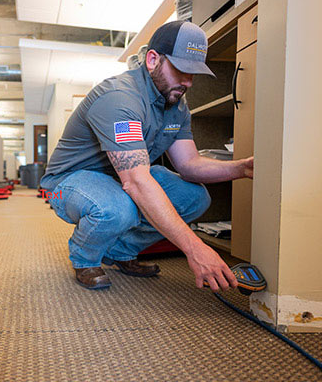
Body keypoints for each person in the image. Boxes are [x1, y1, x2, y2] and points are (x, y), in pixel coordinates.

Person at [39, 21, 253, 291]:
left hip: (118, 179)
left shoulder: (176, 105)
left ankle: (119, 251)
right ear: (153, 60)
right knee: (119, 208)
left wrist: (243, 168)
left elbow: (190, 164)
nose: (188, 82)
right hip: (61, 186)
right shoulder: (120, 99)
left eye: (194, 73)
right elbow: (136, 182)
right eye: (182, 70)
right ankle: (85, 257)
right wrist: (195, 248)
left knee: (195, 197)